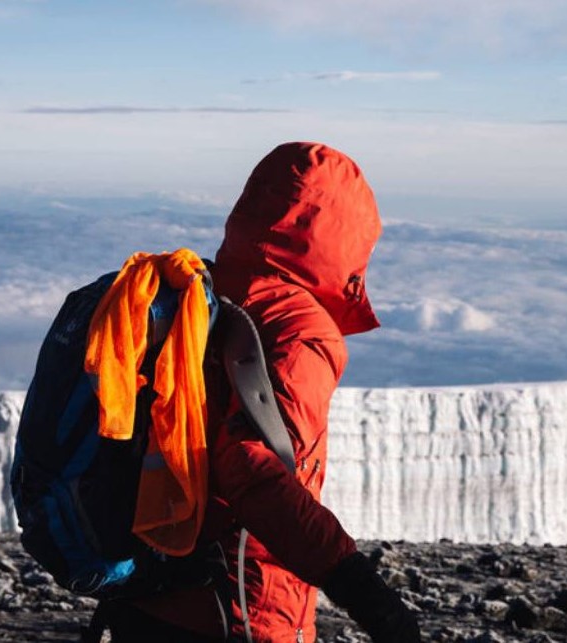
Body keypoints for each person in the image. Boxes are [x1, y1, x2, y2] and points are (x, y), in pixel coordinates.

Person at [98, 141, 420, 643]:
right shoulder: (296, 327)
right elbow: (252, 470)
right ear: (344, 236)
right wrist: (362, 589)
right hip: (237, 608)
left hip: (146, 591)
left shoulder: (194, 293)